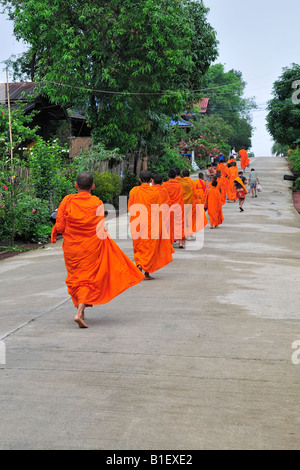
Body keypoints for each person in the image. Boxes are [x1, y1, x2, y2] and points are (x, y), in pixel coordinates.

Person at [51, 171, 145, 328]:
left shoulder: (67, 201)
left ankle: (81, 309)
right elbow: (99, 227)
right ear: (93, 186)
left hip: (72, 248)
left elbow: (60, 226)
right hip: (91, 247)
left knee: (77, 277)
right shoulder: (97, 203)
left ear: (76, 185)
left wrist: (54, 230)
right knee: (88, 277)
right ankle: (80, 312)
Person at [128, 170, 174, 280]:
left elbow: (130, 207)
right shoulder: (155, 192)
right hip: (151, 225)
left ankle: (139, 264)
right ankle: (147, 273)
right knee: (150, 248)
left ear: (139, 180)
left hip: (137, 224)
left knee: (139, 246)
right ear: (150, 180)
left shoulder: (134, 191)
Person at [162, 168, 185, 248]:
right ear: (176, 176)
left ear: (167, 175)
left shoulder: (165, 185)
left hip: (169, 207)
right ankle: (180, 242)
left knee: (169, 225)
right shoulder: (179, 185)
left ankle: (169, 242)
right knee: (179, 224)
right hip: (178, 206)